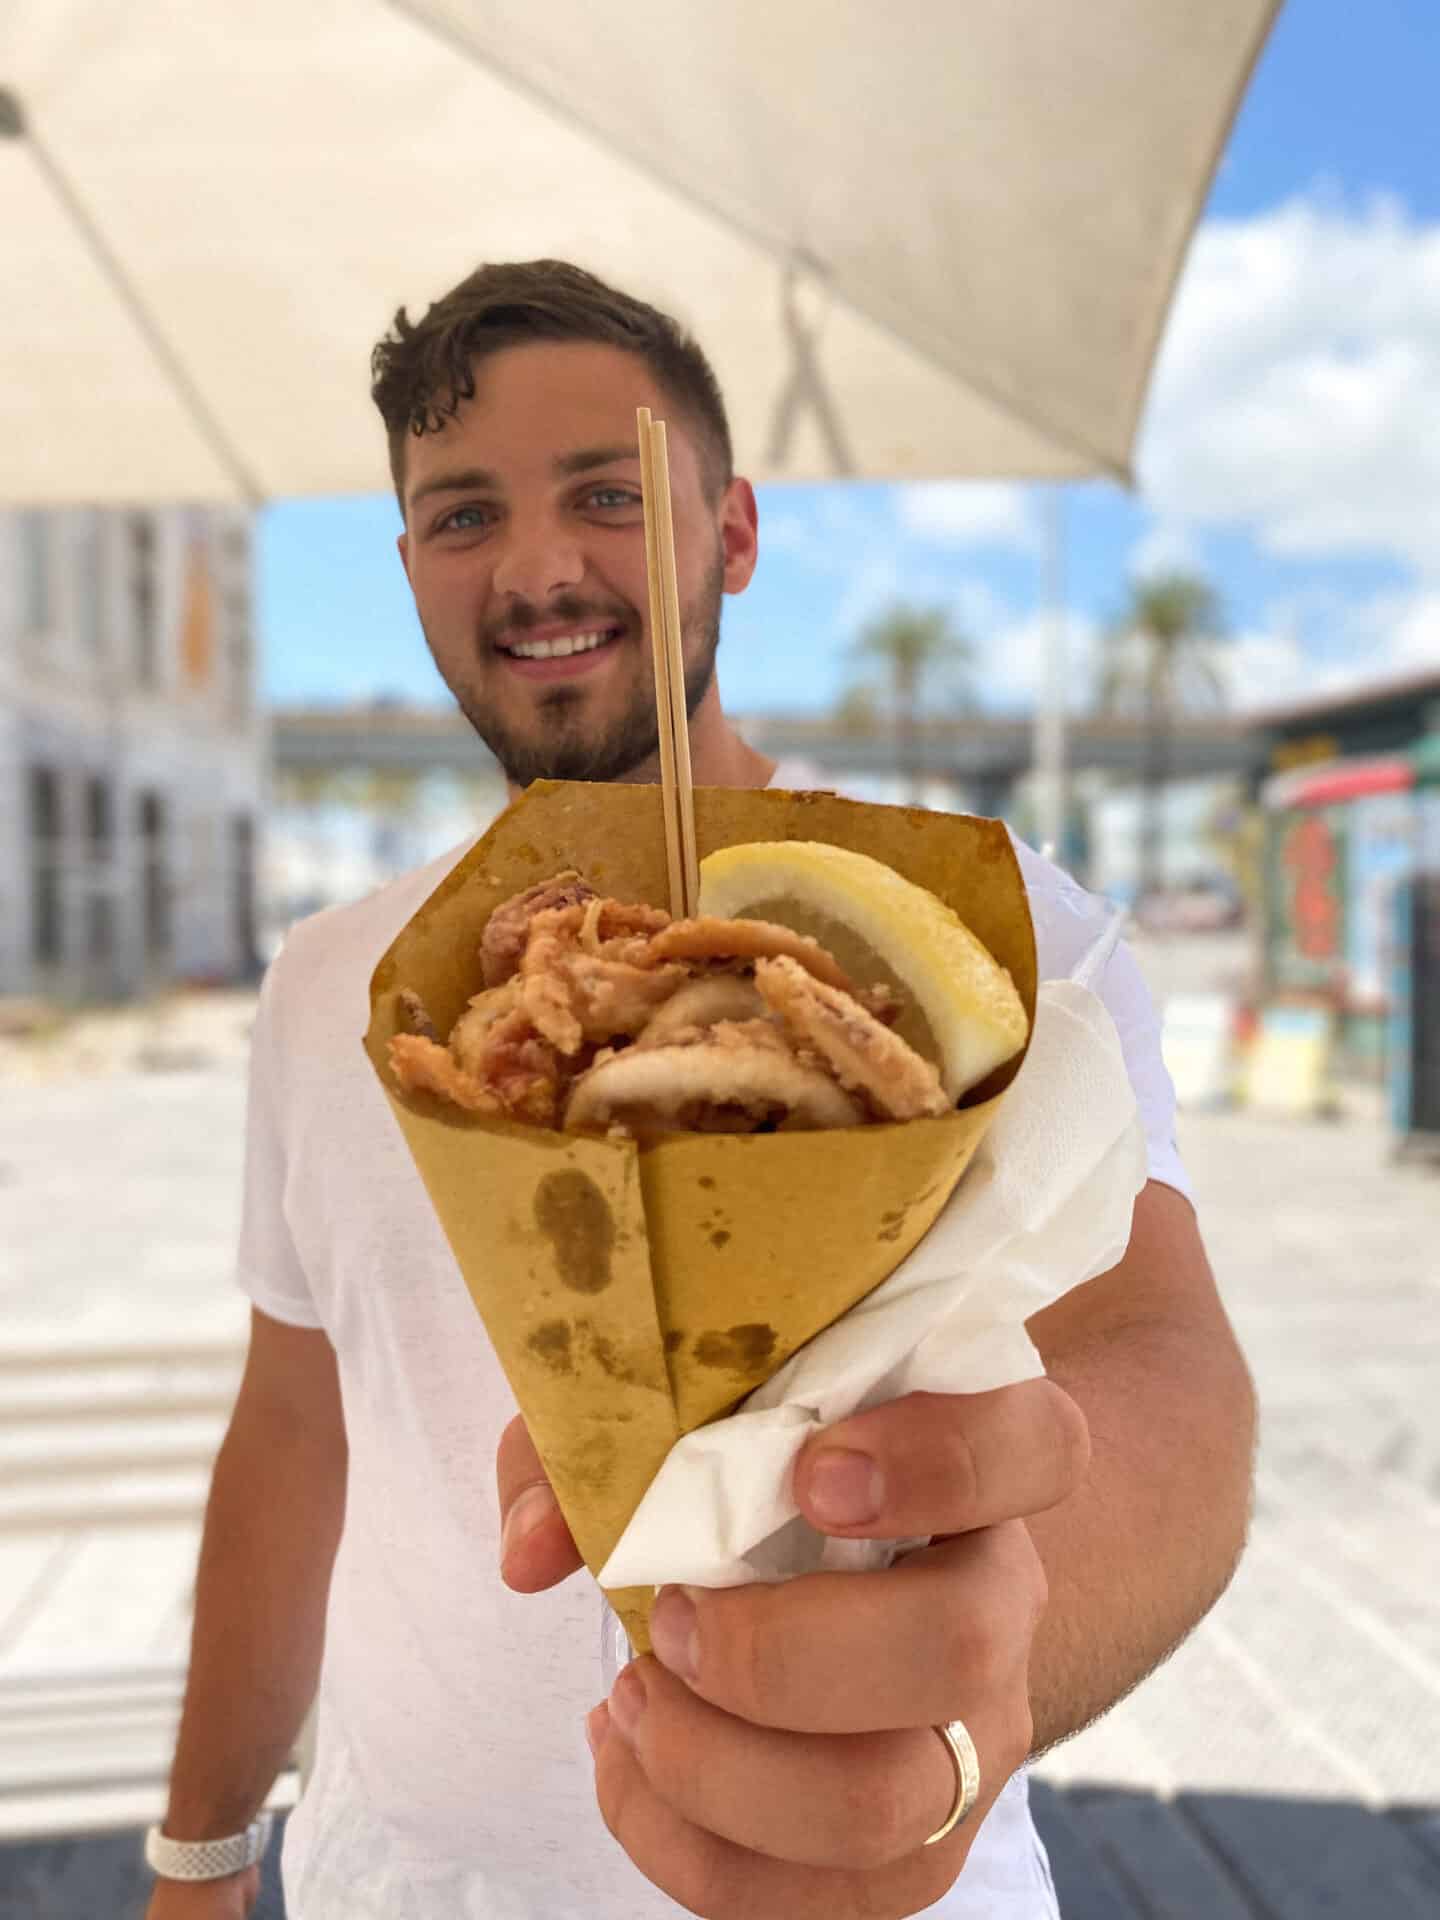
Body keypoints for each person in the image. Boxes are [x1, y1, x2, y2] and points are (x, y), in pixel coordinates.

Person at [144, 260, 1255, 1920]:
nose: (534, 565)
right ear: (407, 571)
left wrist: (985, 1669)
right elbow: (296, 1425)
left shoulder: (992, 945)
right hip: (399, 1885)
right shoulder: (336, 991)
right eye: (462, 516)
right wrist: (202, 1845)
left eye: (608, 494)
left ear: (731, 534)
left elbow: (1166, 1367)